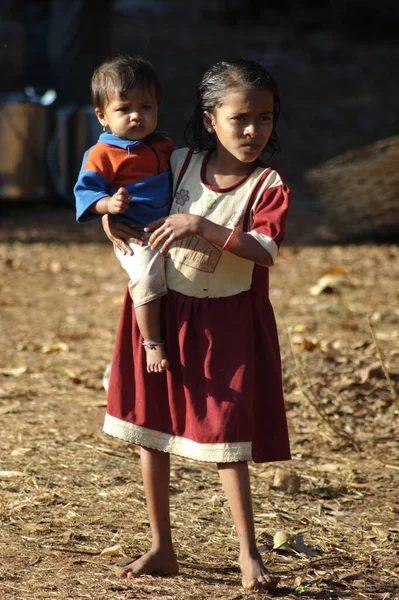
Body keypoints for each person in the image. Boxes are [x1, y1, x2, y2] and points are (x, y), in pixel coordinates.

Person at [101, 57, 291, 591]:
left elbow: (265, 252)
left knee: (227, 436)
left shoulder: (268, 184)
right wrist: (112, 221)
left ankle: (248, 552)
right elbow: (131, 204)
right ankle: (162, 545)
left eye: (266, 118)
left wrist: (201, 225)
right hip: (162, 313)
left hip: (226, 322)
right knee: (153, 429)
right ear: (211, 119)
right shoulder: (176, 161)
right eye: (240, 118)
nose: (253, 130)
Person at [74, 55, 176, 373]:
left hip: (169, 228)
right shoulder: (102, 154)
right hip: (136, 234)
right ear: (102, 116)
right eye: (124, 109)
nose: (136, 117)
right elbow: (86, 193)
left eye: (146, 107)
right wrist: (108, 206)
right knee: (146, 279)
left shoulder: (163, 146)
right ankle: (152, 343)